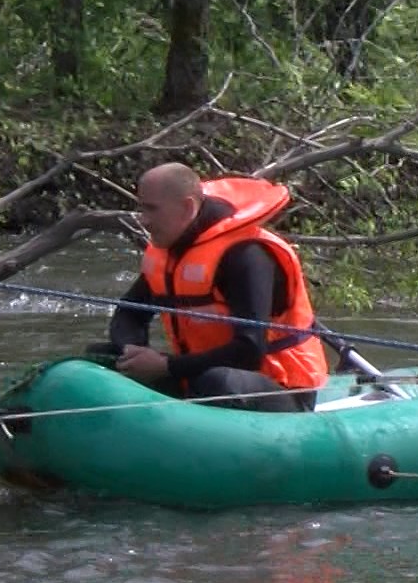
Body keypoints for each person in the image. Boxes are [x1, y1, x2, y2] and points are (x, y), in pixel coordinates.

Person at [106, 163, 330, 412]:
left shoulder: (245, 256)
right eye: (141, 208)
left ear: (187, 207)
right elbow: (129, 313)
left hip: (281, 388)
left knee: (216, 381)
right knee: (103, 356)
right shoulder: (170, 252)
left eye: (152, 210)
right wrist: (132, 351)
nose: (144, 220)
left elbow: (249, 352)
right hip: (198, 373)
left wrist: (166, 366)